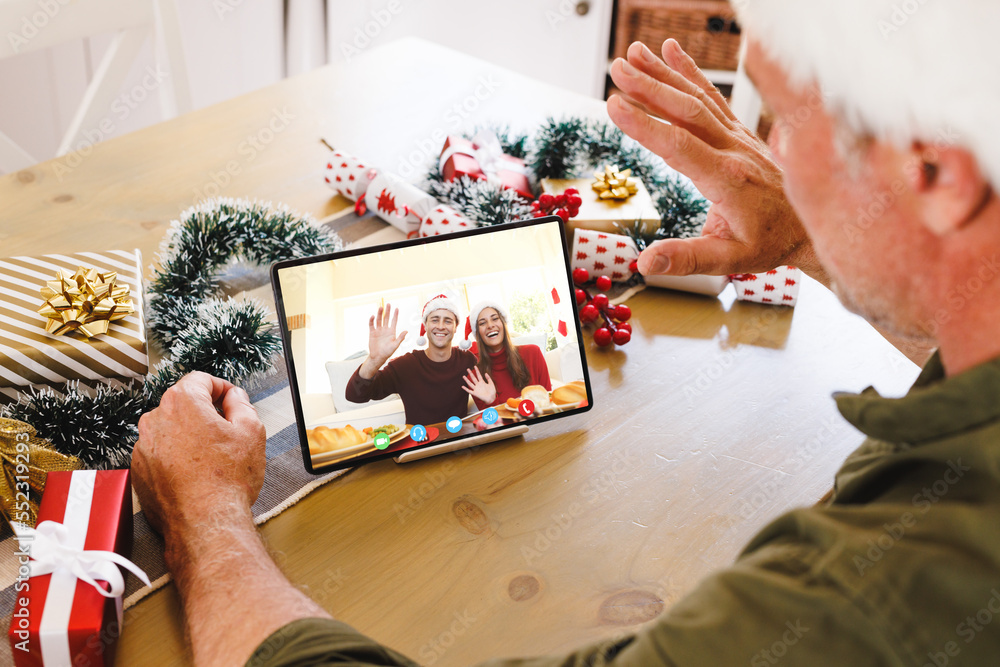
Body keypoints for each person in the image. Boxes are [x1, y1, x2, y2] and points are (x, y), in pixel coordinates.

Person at [131, 2, 1000, 664]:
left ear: (931, 174)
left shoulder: (869, 596)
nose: (761, 152)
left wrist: (203, 514)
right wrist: (820, 229)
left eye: (777, 115)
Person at [343, 294, 489, 426]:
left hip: (457, 442)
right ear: (425, 325)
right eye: (434, 320)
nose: (440, 326)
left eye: (448, 321)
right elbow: (355, 396)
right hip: (419, 445)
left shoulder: (467, 361)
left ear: (456, 327)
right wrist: (374, 360)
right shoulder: (405, 366)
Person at [460, 300, 552, 409]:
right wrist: (491, 401)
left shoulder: (533, 353)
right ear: (478, 333)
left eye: (495, 319)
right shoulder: (476, 377)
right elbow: (493, 423)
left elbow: (549, 402)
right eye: (482, 323)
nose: (490, 325)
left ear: (503, 324)